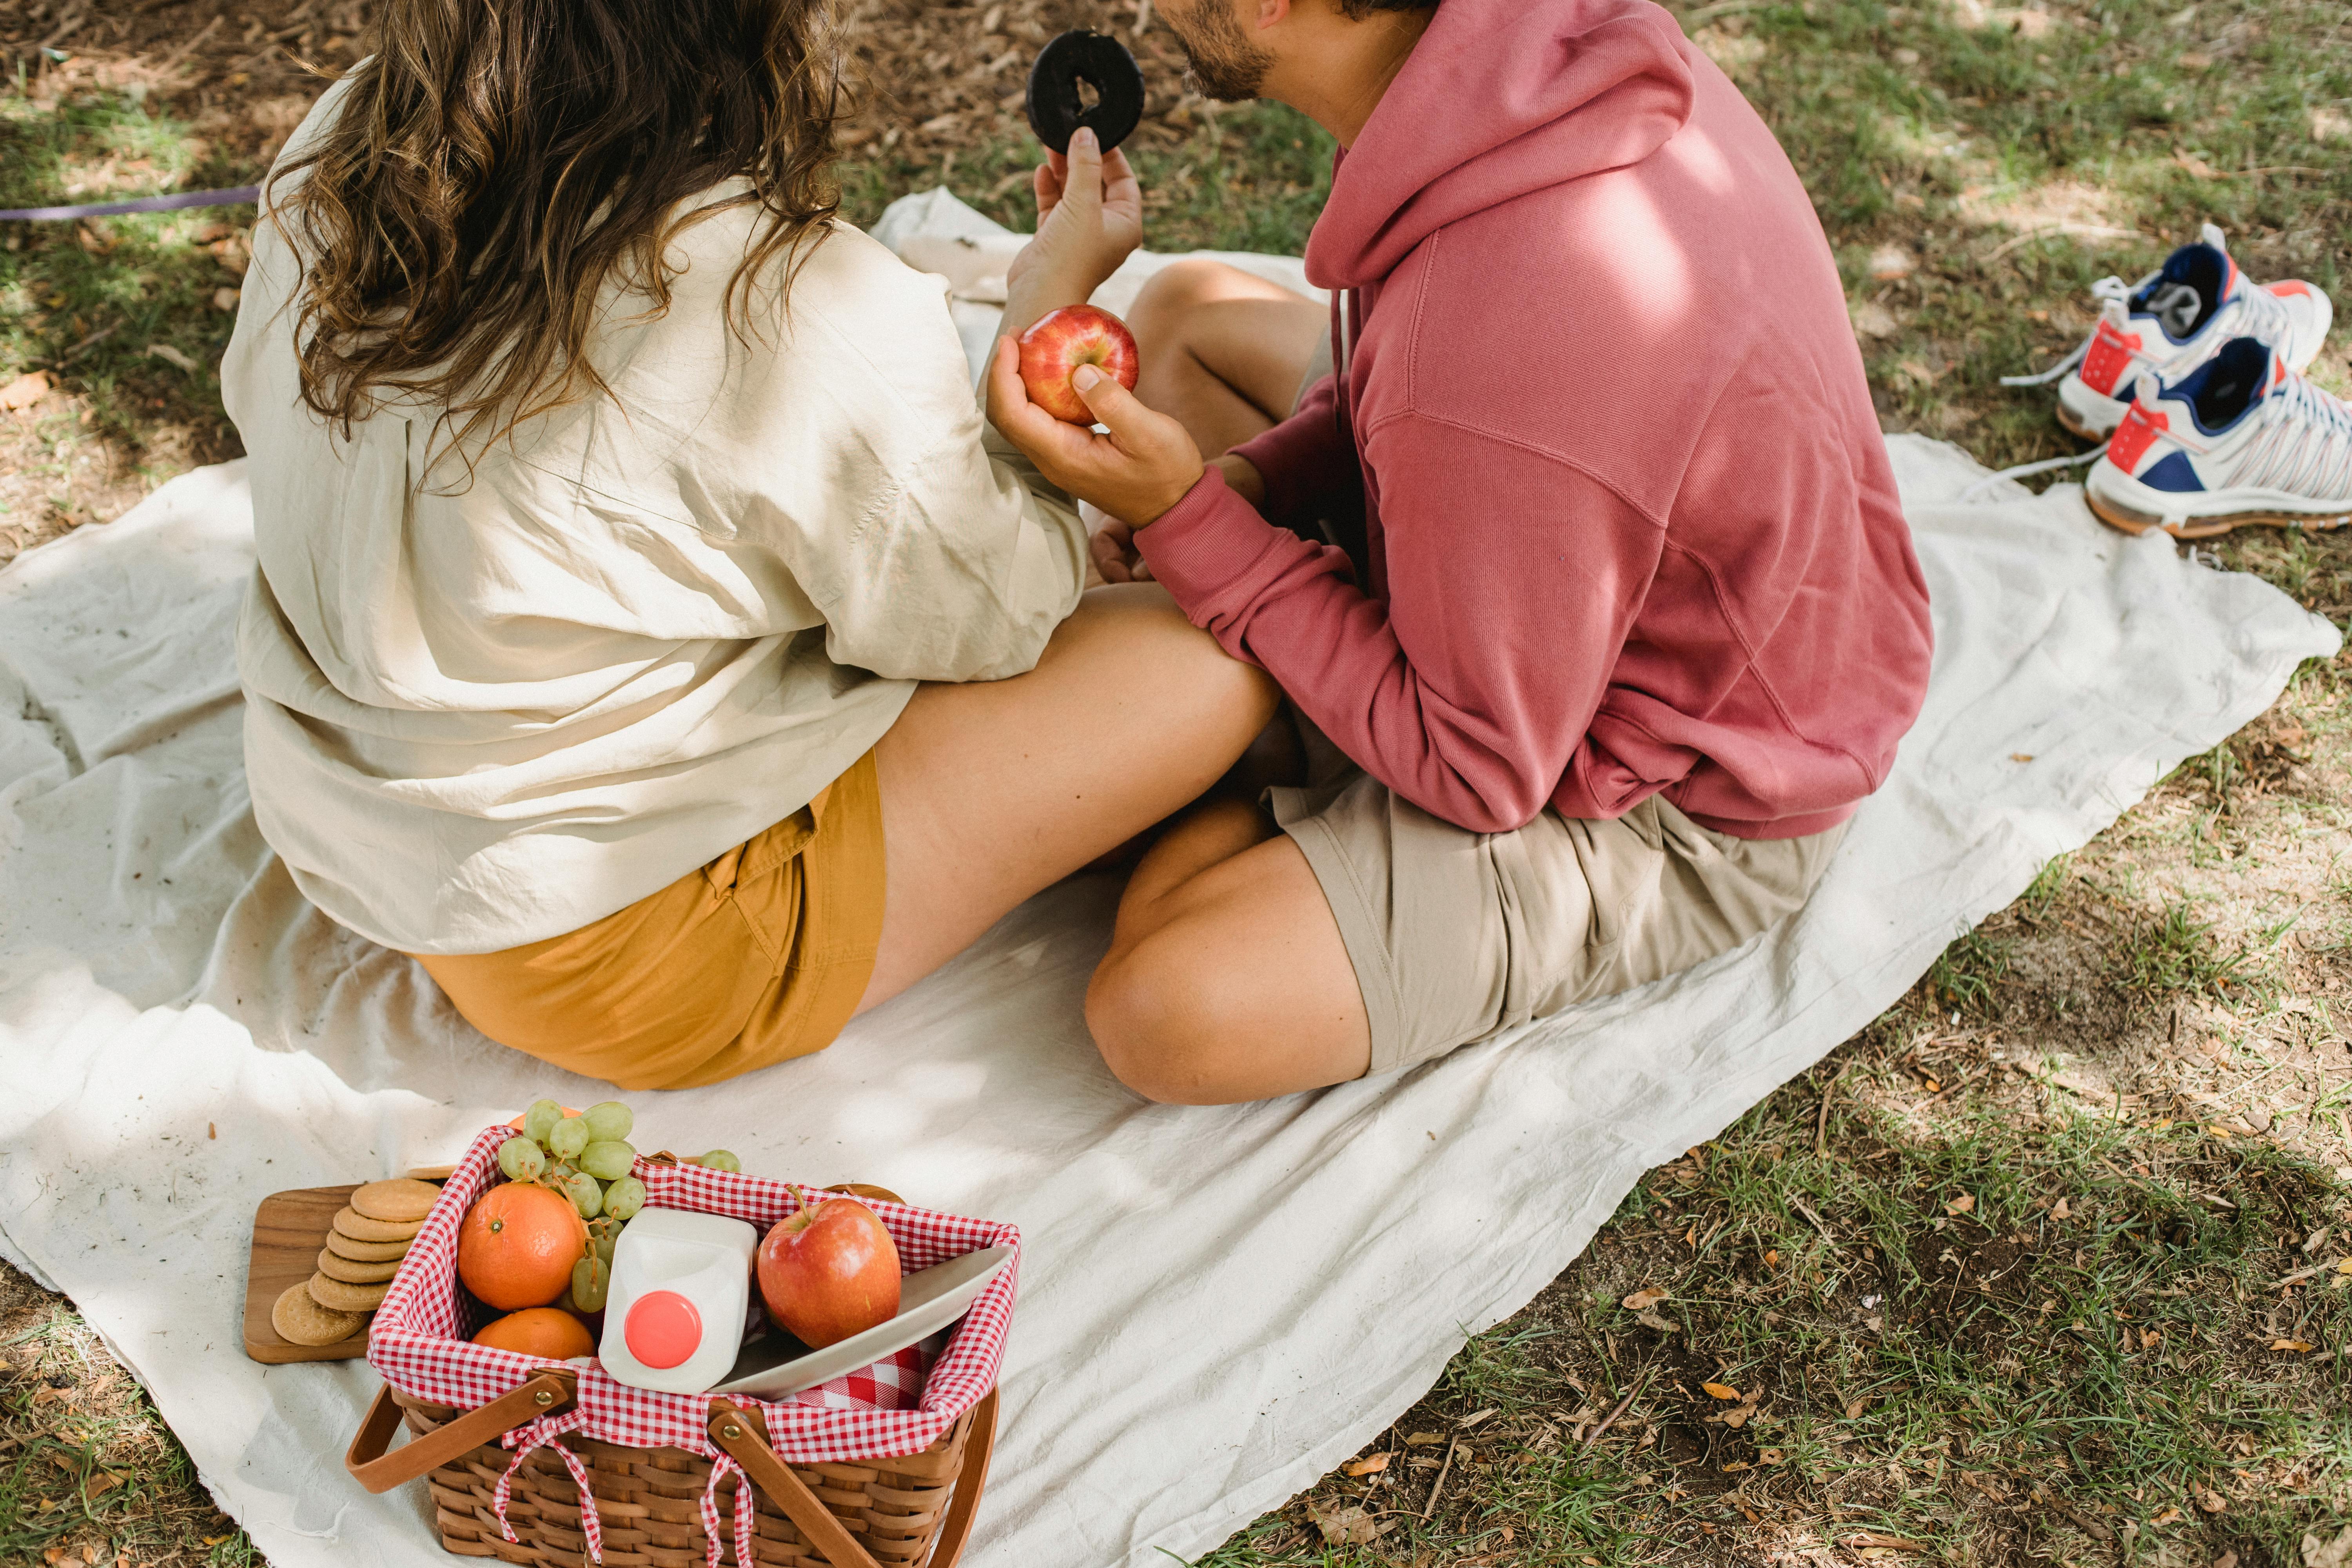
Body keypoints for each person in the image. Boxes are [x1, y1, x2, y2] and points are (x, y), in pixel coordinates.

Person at [222, 0, 1274, 1090]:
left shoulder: (346, 139)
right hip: (623, 948)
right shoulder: (784, 302)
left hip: (378, 843)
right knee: (1222, 652)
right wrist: (1043, 301)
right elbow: (997, 617)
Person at [989, 0, 1936, 1103]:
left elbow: (1479, 767)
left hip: (1679, 792)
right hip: (1552, 563)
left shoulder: (1496, 337)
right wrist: (1248, 484)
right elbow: (1405, 382)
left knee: (1164, 1003)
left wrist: (1192, 524)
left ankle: (1296, 777)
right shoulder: (1505, 60)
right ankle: (1306, 737)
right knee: (1190, 315)